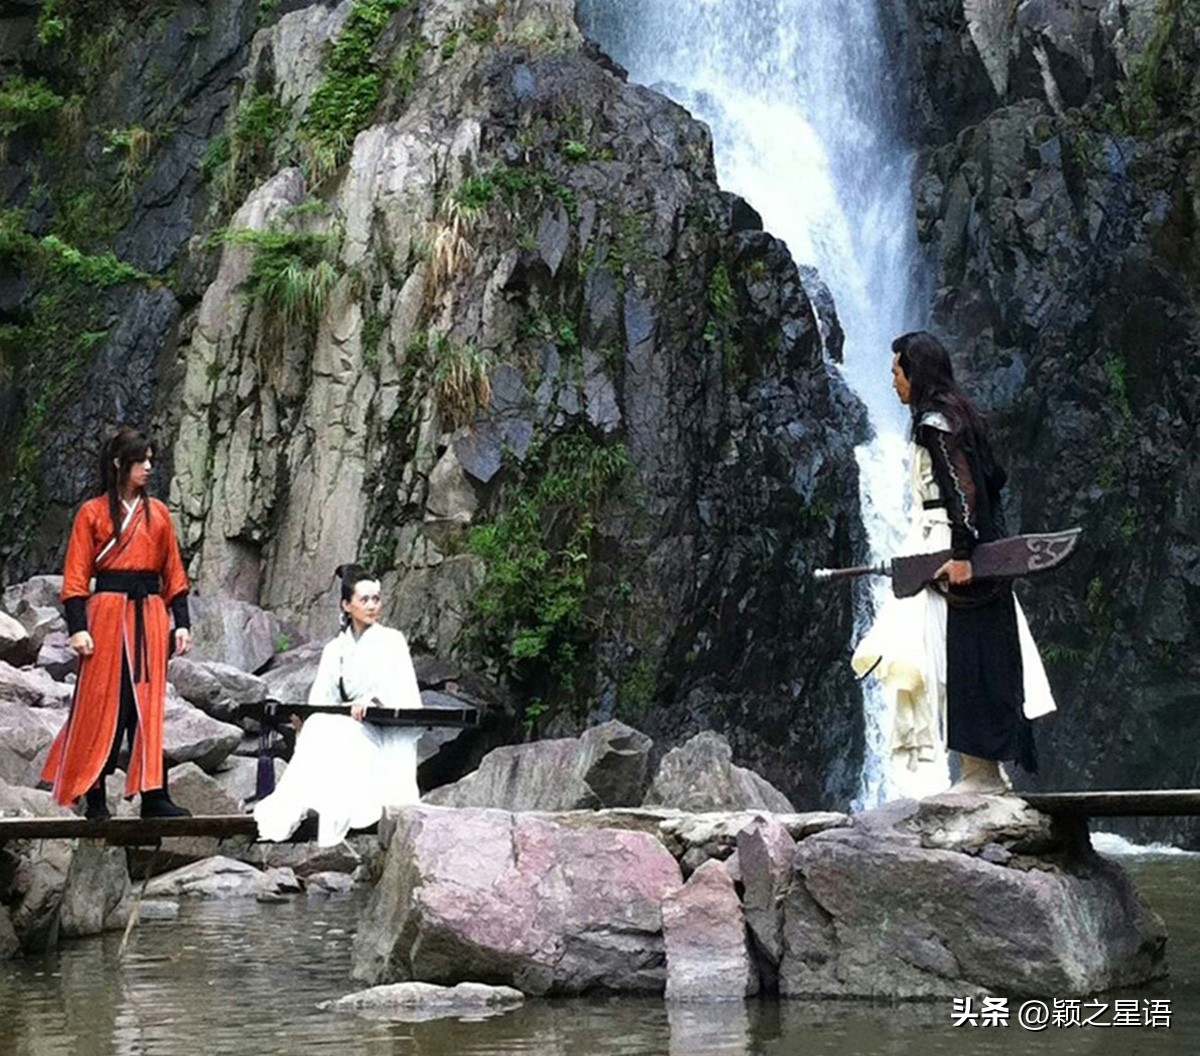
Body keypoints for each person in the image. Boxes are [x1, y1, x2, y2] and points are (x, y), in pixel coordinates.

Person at [852, 332, 1056, 798]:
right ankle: (982, 771)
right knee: (969, 654)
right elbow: (993, 479)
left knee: (953, 657)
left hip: (949, 548)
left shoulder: (934, 423)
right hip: (962, 545)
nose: (892, 382)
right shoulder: (962, 417)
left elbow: (960, 488)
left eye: (896, 371)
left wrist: (962, 555)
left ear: (914, 372)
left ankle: (979, 774)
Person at [43, 425, 193, 819]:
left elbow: (173, 572)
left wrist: (181, 622)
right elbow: (76, 576)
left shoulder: (158, 513)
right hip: (108, 611)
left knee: (148, 701)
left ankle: (154, 793)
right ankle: (94, 792)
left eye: (149, 461)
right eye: (139, 461)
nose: (147, 468)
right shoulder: (92, 513)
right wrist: (78, 627)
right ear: (118, 464)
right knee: (104, 700)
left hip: (150, 612)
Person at [254, 564, 424, 847]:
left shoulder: (391, 641)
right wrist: (306, 721)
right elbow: (322, 699)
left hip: (377, 731)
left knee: (341, 733)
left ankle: (344, 810)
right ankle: (306, 807)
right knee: (319, 725)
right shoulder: (336, 649)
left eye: (376, 599)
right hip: (347, 722)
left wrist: (373, 700)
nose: (372, 606)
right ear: (347, 605)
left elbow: (403, 689)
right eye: (364, 600)